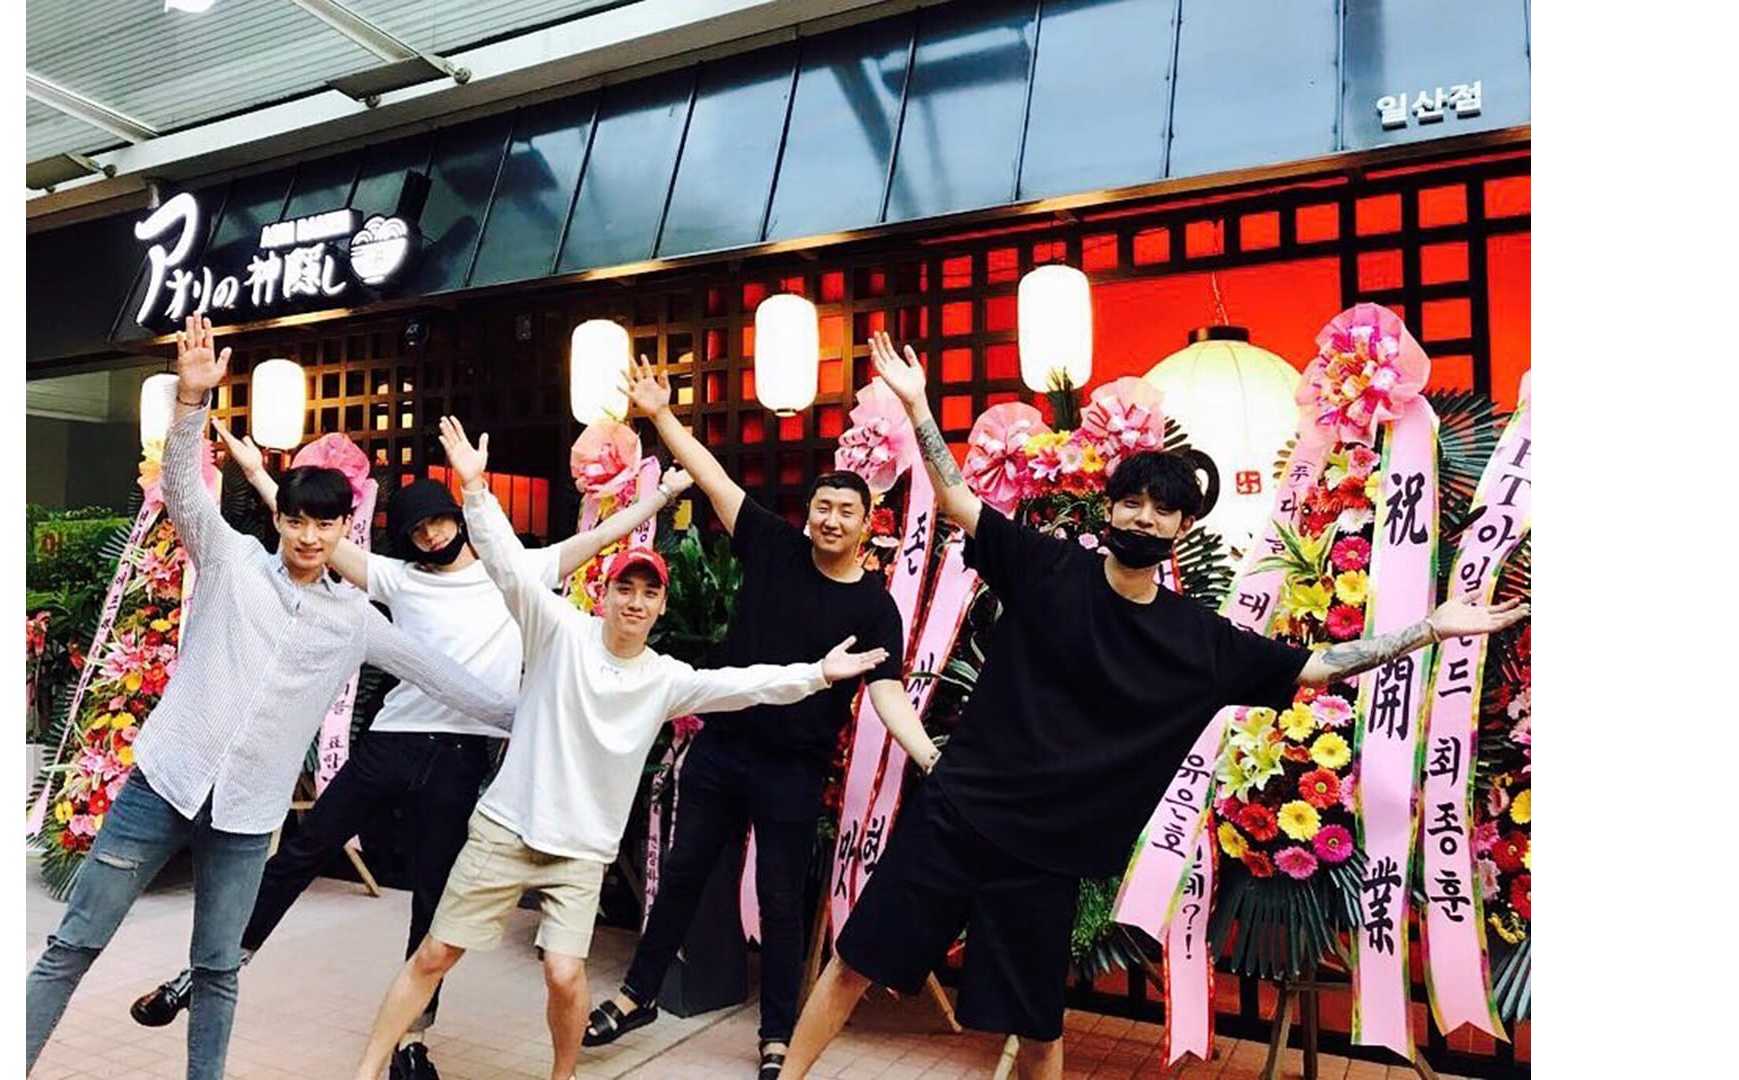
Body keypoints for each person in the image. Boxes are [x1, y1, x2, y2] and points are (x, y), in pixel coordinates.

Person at [775, 332, 1530, 1080]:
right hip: (957, 814)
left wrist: (1430, 627)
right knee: (853, 964)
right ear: (1109, 510)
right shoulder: (1046, 567)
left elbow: (1315, 666)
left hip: (1048, 858)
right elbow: (958, 500)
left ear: (1182, 528)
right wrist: (917, 406)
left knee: (1037, 1030)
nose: (1142, 518)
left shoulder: (1200, 642)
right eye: (1130, 502)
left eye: (1160, 510)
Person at [27, 316, 518, 1080]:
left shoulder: (353, 619)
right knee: (74, 943)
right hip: (164, 784)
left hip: (246, 816)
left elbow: (445, 678)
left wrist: (545, 719)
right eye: (296, 519)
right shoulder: (232, 560)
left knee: (219, 968)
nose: (309, 536)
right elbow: (183, 490)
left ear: (345, 527)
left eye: (325, 523)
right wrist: (191, 403)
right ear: (279, 518)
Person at [126, 423, 693, 1080]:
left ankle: (414, 1040)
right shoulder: (398, 578)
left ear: (458, 518)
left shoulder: (520, 570)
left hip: (461, 756)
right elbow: (318, 536)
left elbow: (600, 537)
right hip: (391, 743)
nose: (429, 537)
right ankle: (206, 971)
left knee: (433, 898)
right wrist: (257, 474)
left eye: (437, 523)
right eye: (416, 531)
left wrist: (660, 497)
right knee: (303, 852)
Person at [350, 418, 890, 1080]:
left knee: (565, 973)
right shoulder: (557, 630)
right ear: (603, 594)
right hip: (508, 826)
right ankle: (368, 1069)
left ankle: (566, 1073)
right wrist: (475, 490)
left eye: (649, 592)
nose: (635, 601)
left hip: (582, 849)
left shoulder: (666, 679)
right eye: (624, 588)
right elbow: (505, 564)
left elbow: (746, 684)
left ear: (661, 607)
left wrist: (818, 675)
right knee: (435, 953)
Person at [583, 354, 939, 1080]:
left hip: (792, 770)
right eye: (822, 507)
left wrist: (930, 755)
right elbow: (711, 474)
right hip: (722, 749)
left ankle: (777, 1035)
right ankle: (637, 993)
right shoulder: (774, 545)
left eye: (846, 511)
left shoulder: (875, 608)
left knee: (780, 902)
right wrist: (660, 414)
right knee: (682, 874)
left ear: (868, 524)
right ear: (808, 513)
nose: (830, 519)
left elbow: (887, 693)